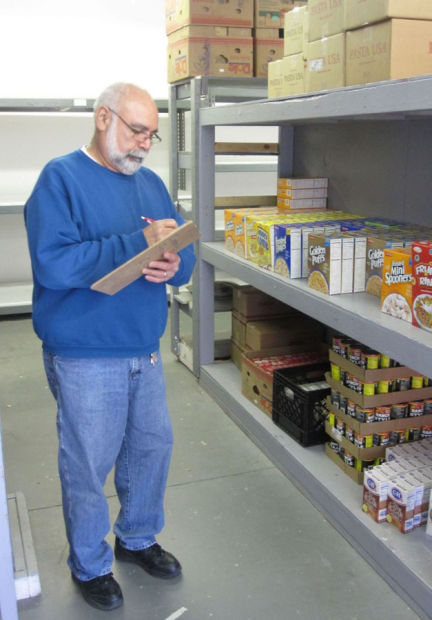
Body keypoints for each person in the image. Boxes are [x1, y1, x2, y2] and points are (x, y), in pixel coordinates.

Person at [24, 83, 196, 611]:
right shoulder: (61, 179)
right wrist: (136, 246)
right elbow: (54, 264)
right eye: (135, 130)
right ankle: (90, 563)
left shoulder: (150, 184)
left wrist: (173, 265)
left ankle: (138, 538)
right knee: (88, 461)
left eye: (152, 134)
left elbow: (179, 256)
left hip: (144, 348)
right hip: (84, 353)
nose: (144, 144)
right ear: (104, 118)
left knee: (150, 450)